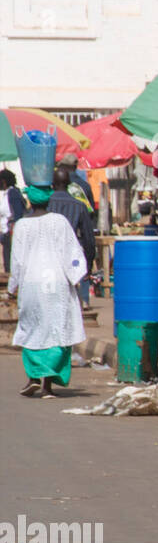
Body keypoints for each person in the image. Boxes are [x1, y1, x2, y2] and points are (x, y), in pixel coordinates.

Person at [7, 178, 87, 397]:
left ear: (29, 200)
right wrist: (77, 275)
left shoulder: (22, 224)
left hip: (31, 283)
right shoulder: (60, 222)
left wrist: (11, 288)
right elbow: (72, 252)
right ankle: (47, 385)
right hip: (57, 284)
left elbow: (17, 261)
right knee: (56, 330)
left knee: (31, 329)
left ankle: (33, 376)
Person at [48, 168, 96, 308]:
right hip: (71, 255)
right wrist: (89, 263)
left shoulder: (45, 204)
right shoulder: (79, 205)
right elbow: (89, 238)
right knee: (70, 298)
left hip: (49, 255)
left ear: (52, 184)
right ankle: (83, 302)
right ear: (69, 184)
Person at [1, 170, 27, 272]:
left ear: (3, 181)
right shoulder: (7, 193)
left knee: (11, 266)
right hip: (6, 233)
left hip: (11, 234)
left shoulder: (13, 193)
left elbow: (18, 213)